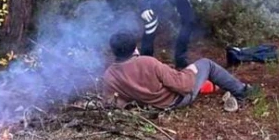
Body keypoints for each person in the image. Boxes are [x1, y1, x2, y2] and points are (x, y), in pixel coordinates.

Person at [102, 32, 259, 111]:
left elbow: (113, 103)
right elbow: (184, 86)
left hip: (150, 107)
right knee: (206, 64)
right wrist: (190, 72)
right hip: (175, 101)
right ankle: (243, 91)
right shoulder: (147, 62)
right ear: (134, 47)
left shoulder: (110, 75)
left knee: (187, 72)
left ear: (114, 51)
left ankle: (222, 88)